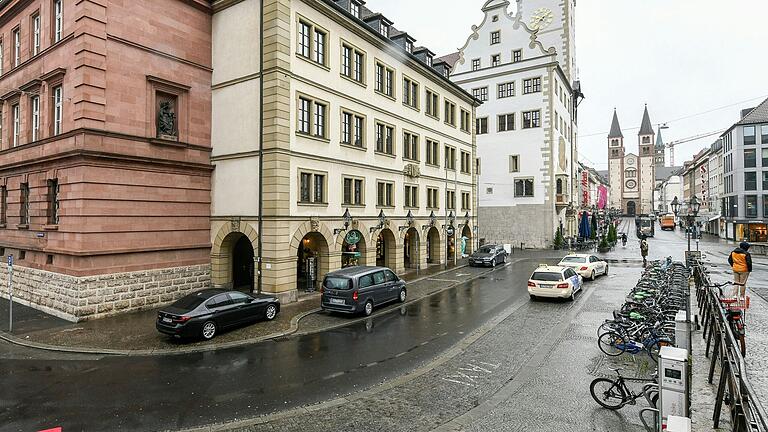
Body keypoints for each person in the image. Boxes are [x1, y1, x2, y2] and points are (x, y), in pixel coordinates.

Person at [729, 242, 753, 307]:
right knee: (742, 283)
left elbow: (729, 260)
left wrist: (733, 265)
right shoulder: (746, 254)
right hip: (744, 270)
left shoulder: (733, 252)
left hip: (735, 269)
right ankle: (742, 296)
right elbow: (749, 263)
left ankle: (735, 296)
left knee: (736, 282)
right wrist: (749, 270)